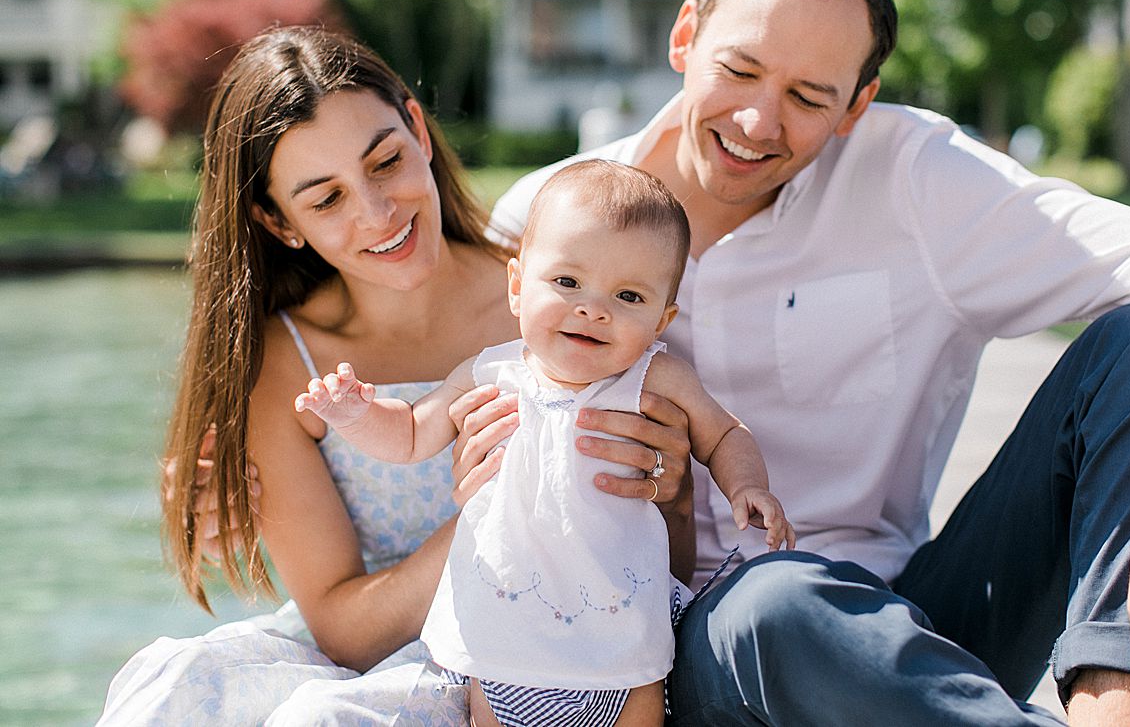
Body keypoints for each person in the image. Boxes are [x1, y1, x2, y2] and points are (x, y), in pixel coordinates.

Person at [482, 0, 1130, 727]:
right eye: (741, 69)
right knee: (772, 605)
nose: (759, 121)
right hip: (677, 653)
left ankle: (1122, 714)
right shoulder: (549, 223)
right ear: (685, 36)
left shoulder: (916, 183)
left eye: (806, 95)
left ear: (856, 105)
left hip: (915, 621)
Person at [98, 27, 694, 725]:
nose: (376, 213)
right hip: (358, 657)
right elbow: (343, 629)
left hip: (538, 655)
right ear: (278, 220)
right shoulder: (287, 361)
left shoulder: (568, 305)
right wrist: (494, 517)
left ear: (418, 127)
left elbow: (666, 562)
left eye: (384, 161)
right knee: (171, 687)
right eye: (326, 199)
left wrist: (665, 495)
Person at [296, 159, 793, 727]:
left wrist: (748, 485)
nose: (593, 308)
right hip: (503, 637)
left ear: (662, 319)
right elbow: (410, 432)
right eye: (567, 282)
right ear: (517, 286)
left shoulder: (656, 379)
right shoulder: (490, 372)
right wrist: (355, 414)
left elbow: (725, 431)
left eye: (629, 296)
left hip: (622, 641)